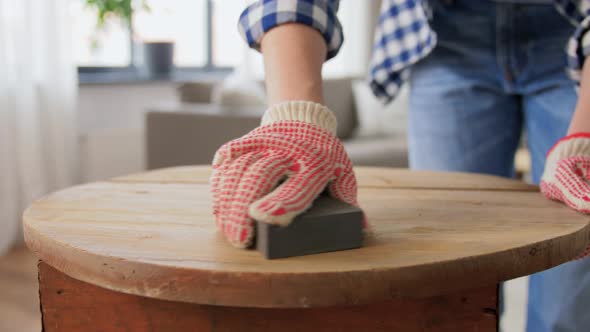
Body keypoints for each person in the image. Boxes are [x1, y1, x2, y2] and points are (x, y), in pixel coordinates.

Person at [209, 1, 590, 330]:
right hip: (445, 34)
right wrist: (296, 116)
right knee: (451, 285)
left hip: (572, 28)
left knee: (568, 297)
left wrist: (584, 137)